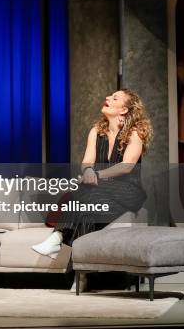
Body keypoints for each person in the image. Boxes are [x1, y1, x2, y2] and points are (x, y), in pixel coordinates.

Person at [32, 89, 153, 259]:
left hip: (128, 191)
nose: (107, 97)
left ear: (124, 109)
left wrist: (96, 175)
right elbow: (87, 161)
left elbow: (126, 167)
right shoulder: (97, 131)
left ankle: (57, 238)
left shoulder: (135, 132)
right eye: (109, 95)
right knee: (87, 214)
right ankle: (79, 273)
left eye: (114, 98)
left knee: (83, 191)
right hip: (100, 191)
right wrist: (88, 171)